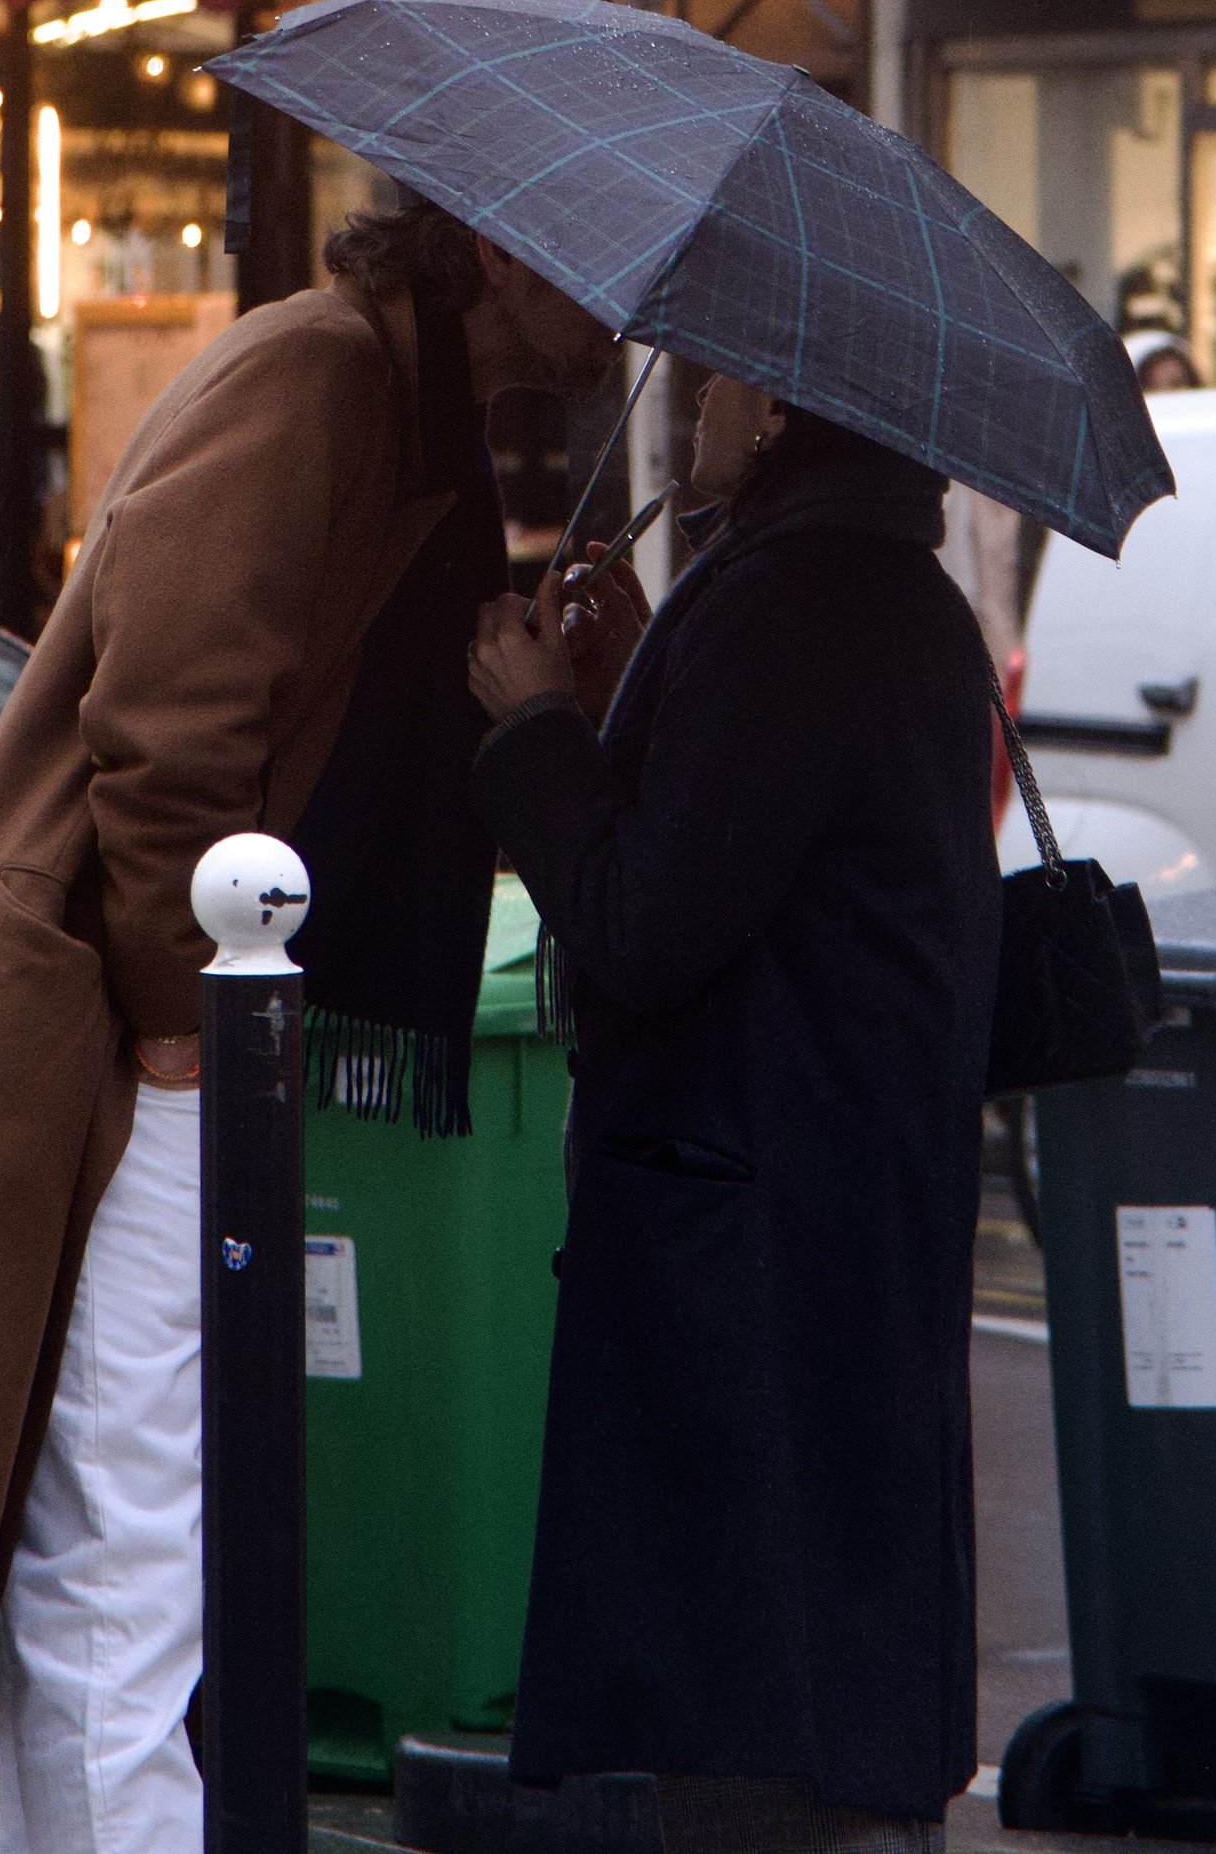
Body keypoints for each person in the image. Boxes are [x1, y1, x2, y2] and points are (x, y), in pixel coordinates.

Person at [0, 188, 618, 1848]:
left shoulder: (403, 407)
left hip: (188, 1029)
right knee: (122, 1554)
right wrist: (177, 1028)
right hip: (128, 1036)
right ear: (503, 247)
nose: (622, 312)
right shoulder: (325, 379)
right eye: (599, 260)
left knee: (133, 1553)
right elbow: (163, 726)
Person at [468, 370, 1003, 1854]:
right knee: (823, 1648)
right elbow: (741, 836)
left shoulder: (792, 602)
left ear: (773, 406)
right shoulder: (881, 586)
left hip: (756, 1217)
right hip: (835, 1189)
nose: (695, 396)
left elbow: (643, 921)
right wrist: (632, 684)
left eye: (715, 374)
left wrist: (535, 726)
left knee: (757, 1698)